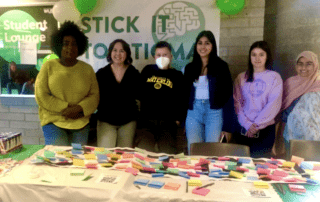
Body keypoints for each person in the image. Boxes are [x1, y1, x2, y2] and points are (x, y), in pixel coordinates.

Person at [35, 21, 99, 146]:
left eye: (74, 44)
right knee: (58, 159)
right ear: (59, 45)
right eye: (66, 43)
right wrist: (65, 108)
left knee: (78, 161)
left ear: (80, 46)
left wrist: (79, 109)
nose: (70, 47)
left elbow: (94, 96)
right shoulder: (48, 66)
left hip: (80, 122)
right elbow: (41, 95)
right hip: (53, 120)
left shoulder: (87, 69)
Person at [184, 30, 235, 154]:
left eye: (207, 43)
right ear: (196, 46)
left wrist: (228, 127)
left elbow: (228, 97)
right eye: (200, 43)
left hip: (214, 113)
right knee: (194, 152)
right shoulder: (190, 68)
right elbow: (184, 95)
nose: (203, 47)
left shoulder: (222, 66)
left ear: (212, 45)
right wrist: (183, 121)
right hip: (193, 113)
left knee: (212, 153)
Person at [233, 41, 283, 158]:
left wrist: (255, 125)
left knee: (260, 169)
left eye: (261, 54)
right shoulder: (241, 77)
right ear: (249, 57)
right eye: (253, 54)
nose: (257, 58)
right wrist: (247, 124)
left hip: (265, 131)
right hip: (243, 130)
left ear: (267, 56)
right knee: (241, 168)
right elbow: (237, 103)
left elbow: (273, 104)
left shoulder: (274, 77)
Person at [136, 41, 184, 154]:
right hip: (147, 122)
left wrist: (178, 120)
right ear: (154, 57)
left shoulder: (177, 75)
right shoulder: (147, 70)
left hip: (167, 123)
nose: (161, 57)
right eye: (158, 55)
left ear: (171, 57)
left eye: (165, 55)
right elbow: (138, 93)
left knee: (168, 155)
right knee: (143, 154)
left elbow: (182, 98)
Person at [95, 39, 140, 148]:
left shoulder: (134, 73)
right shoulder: (101, 73)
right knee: (105, 156)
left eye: (122, 51)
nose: (118, 54)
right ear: (110, 53)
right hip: (106, 121)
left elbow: (139, 97)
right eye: (115, 50)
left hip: (128, 121)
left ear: (127, 54)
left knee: (124, 156)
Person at [276, 51, 320, 158]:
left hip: (315, 140)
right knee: (292, 170)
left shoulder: (318, 83)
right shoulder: (290, 83)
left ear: (315, 65)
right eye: (300, 63)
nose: (303, 67)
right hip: (291, 137)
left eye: (309, 64)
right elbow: (282, 113)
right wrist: (279, 140)